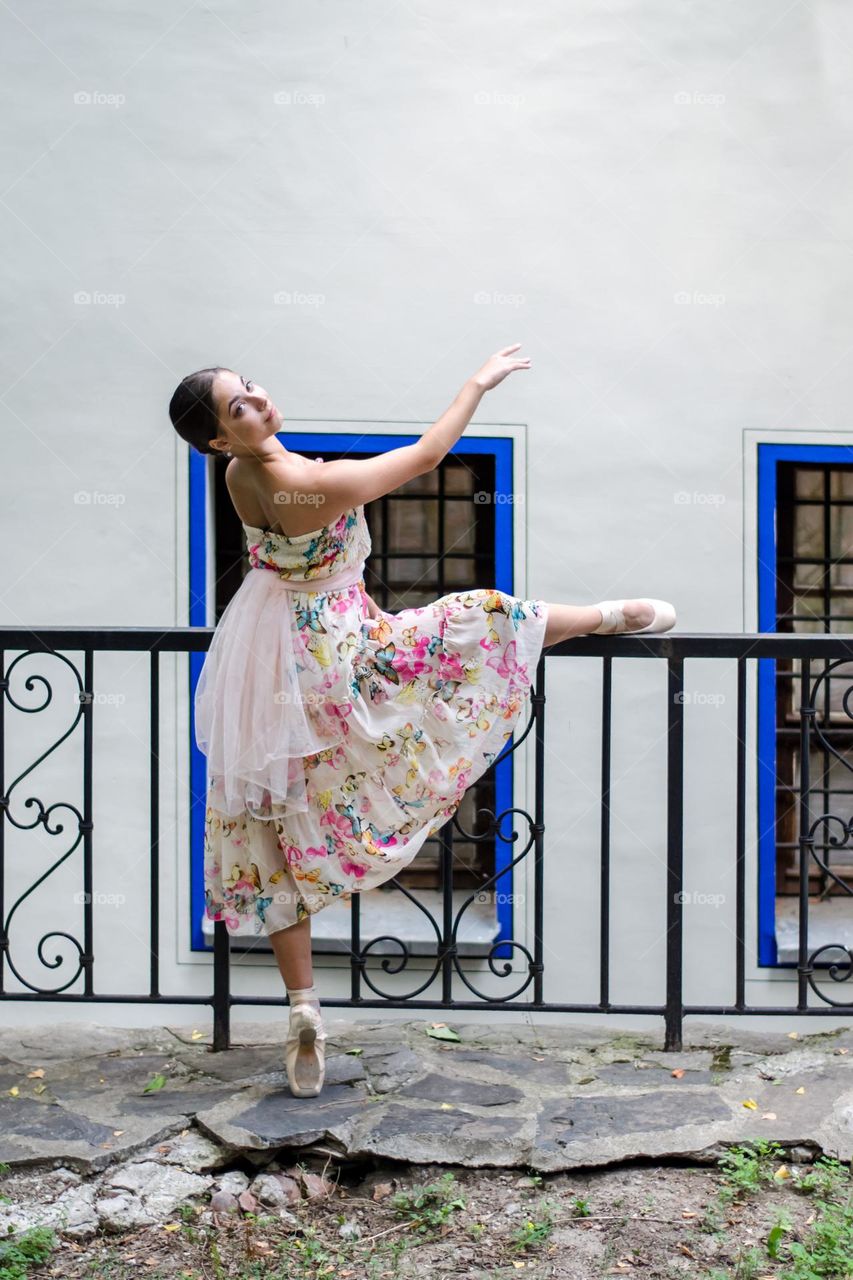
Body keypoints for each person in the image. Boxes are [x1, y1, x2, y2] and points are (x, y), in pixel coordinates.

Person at [169, 344, 676, 1098]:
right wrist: (479, 381)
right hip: (335, 650)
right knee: (477, 616)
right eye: (239, 408)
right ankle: (609, 615)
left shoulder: (240, 476)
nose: (260, 403)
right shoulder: (306, 481)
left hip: (270, 653)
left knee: (270, 822)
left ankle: (302, 1005)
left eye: (251, 389)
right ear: (219, 438)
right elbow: (429, 453)